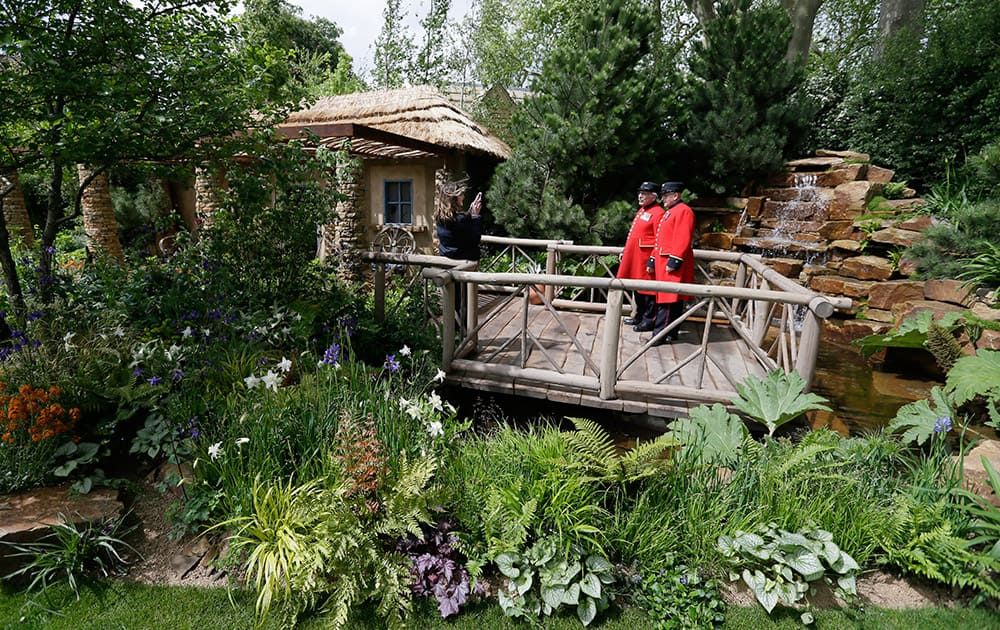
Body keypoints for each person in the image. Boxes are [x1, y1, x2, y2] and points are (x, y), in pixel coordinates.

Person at [649, 181, 695, 345]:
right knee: (669, 299)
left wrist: (675, 260)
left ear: (676, 195)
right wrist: (654, 259)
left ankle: (660, 334)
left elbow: (682, 238)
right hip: (664, 259)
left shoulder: (683, 211)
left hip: (671, 262)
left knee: (668, 299)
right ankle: (671, 332)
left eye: (666, 196)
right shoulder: (673, 211)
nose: (663, 199)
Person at [617, 181, 665, 331]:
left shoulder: (658, 213)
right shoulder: (643, 210)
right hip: (636, 256)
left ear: (654, 196)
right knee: (637, 289)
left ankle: (649, 319)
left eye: (644, 194)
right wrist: (626, 251)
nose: (640, 196)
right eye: (640, 193)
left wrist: (653, 259)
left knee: (648, 291)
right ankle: (639, 315)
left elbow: (659, 239)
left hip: (645, 258)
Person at [435, 178, 483, 261]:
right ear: (453, 198)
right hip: (464, 262)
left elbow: (460, 231)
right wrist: (475, 216)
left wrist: (470, 211)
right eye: (460, 195)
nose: (463, 197)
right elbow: (475, 238)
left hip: (446, 260)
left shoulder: (440, 218)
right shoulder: (460, 219)